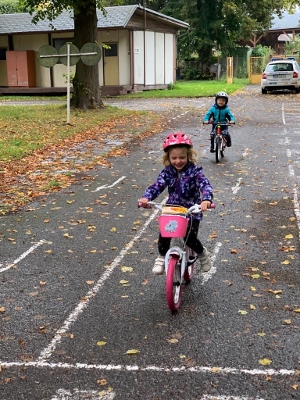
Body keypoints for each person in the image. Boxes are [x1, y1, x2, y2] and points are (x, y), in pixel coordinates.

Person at [138, 132, 214, 275]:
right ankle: (161, 257)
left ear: (188, 156)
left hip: (191, 209)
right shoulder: (167, 172)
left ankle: (203, 254)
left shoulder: (194, 171)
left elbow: (205, 185)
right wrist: (146, 198)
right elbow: (157, 186)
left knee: (189, 238)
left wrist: (206, 199)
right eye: (174, 158)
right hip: (173, 208)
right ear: (168, 158)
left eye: (182, 157)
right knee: (165, 234)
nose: (178, 161)